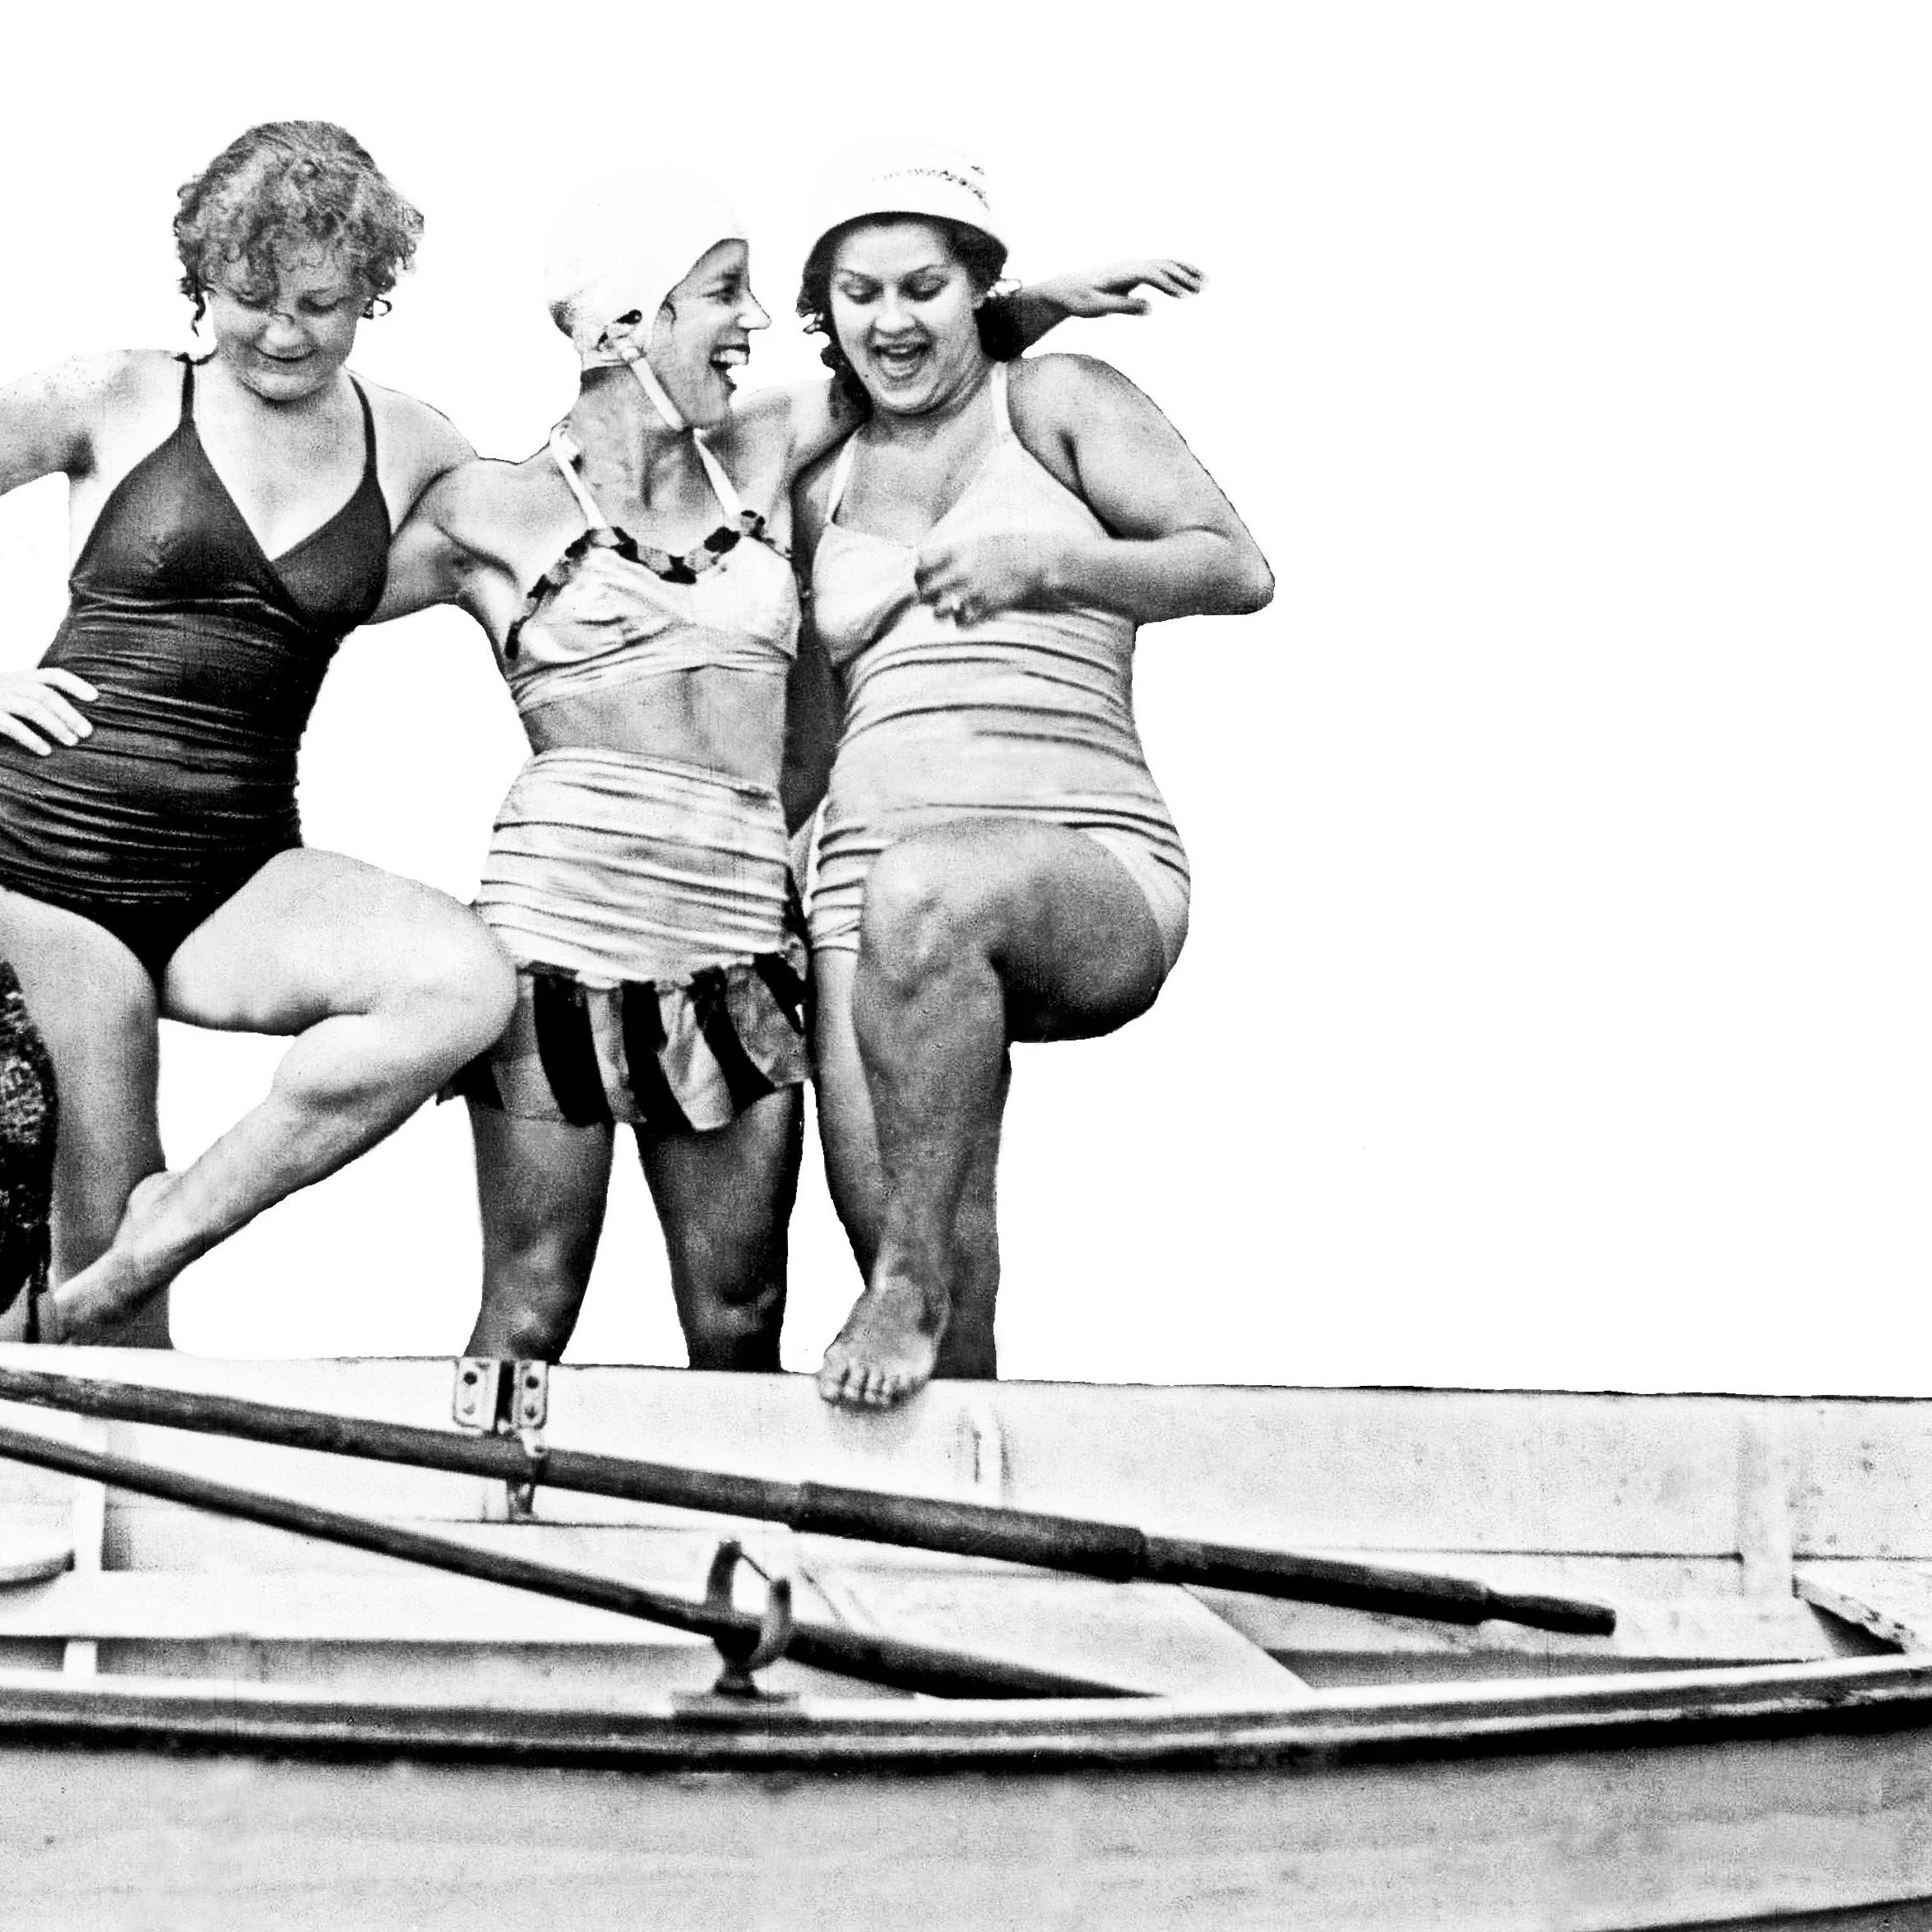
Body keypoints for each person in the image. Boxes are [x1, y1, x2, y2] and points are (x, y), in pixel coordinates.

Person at [378, 170, 1201, 1369]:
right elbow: (289, 600)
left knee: (740, 1311)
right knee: (531, 1301)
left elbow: (911, 357)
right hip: (567, 924)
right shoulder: (495, 509)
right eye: (723, 295)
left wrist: (1029, 311)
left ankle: (808, 1548)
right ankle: (478, 1540)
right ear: (627, 323)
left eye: (755, 293)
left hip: (737, 932)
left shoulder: (763, 456)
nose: (755, 320)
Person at [0, 122, 514, 1346]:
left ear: (372, 293)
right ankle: (98, 1474)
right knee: (99, 1258)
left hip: (236, 872)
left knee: (461, 984)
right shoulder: (119, 392)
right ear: (202, 280)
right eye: (250, 299)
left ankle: (179, 1224)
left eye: (320, 304)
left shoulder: (416, 442)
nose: (282, 333)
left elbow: (592, 518)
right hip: (42, 858)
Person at [791, 156, 1275, 1408]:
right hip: (864, 887)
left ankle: (907, 1283)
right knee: (928, 1243)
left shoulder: (1054, 398)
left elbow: (1234, 567)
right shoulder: (819, 477)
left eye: (924, 286)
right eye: (859, 293)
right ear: (827, 310)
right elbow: (803, 729)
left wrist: (1051, 567)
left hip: (1080, 855)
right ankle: (973, 1537)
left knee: (931, 898)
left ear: (978, 288)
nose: (892, 319)